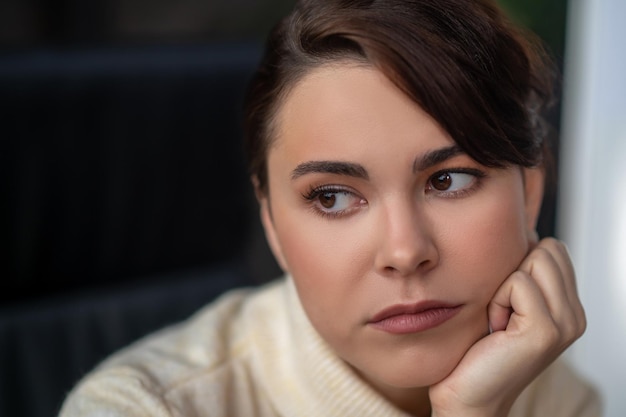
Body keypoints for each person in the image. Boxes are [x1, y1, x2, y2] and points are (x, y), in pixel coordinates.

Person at [59, 0, 601, 416]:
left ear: (530, 190)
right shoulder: (141, 406)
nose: (405, 251)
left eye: (449, 179)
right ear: (270, 220)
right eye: (333, 197)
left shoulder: (550, 393)